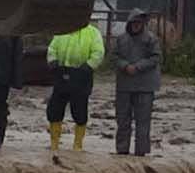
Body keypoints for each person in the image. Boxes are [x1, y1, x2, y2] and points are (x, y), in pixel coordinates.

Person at [45, 18, 104, 151]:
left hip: (82, 75)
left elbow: (98, 52)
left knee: (80, 111)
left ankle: (77, 144)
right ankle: (54, 143)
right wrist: (53, 62)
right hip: (62, 73)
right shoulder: (62, 31)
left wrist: (88, 67)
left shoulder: (93, 33)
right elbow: (52, 48)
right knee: (54, 109)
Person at [113, 10, 163, 156]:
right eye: (134, 23)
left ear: (143, 24)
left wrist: (138, 66)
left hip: (145, 87)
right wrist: (124, 66)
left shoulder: (151, 39)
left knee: (143, 122)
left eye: (139, 23)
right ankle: (122, 150)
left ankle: (141, 152)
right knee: (122, 120)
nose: (136, 26)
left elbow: (156, 58)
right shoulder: (121, 39)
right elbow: (114, 57)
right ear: (129, 23)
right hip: (124, 86)